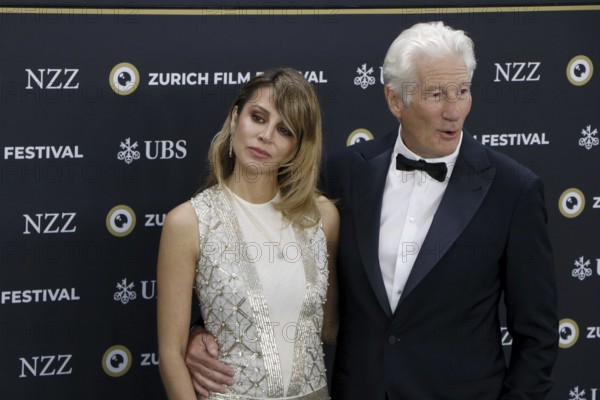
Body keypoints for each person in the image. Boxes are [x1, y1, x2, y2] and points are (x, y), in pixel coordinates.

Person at [185, 21, 558, 399]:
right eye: (436, 94)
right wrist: (204, 329)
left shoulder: (513, 189)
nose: (454, 111)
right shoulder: (342, 174)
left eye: (462, 91)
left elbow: (537, 334)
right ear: (395, 100)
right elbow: (271, 265)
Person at [157, 67, 339, 400]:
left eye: (284, 130)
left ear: (298, 147)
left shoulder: (322, 218)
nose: (266, 135)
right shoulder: (187, 222)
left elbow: (331, 327)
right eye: (258, 117)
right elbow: (171, 354)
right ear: (235, 117)